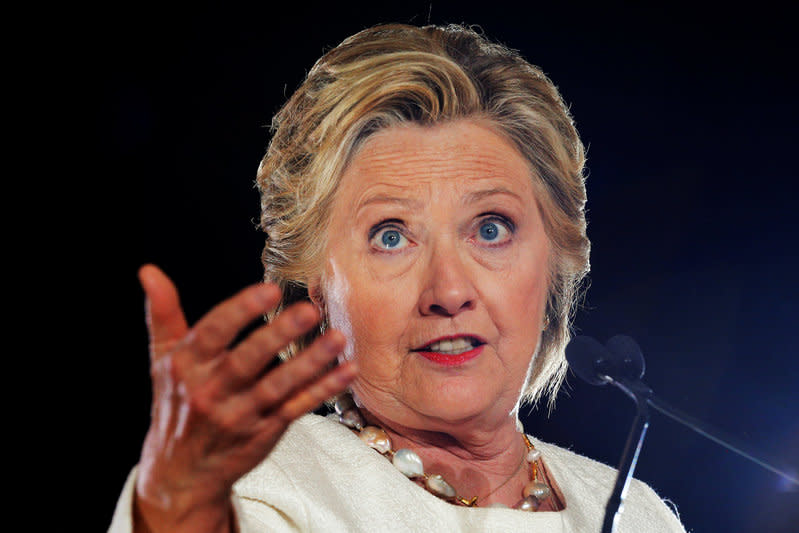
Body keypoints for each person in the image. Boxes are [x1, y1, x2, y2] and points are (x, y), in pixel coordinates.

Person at [109, 23, 686, 532]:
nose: (449, 292)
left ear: (554, 256)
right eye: (390, 237)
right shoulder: (256, 488)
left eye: (491, 229)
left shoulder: (636, 513)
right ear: (318, 287)